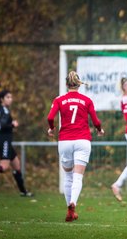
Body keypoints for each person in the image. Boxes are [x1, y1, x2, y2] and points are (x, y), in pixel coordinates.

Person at [47, 71, 104, 222]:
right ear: (79, 85)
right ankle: (73, 204)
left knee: (68, 176)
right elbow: (96, 121)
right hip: (83, 141)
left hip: (65, 141)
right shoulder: (86, 100)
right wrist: (99, 130)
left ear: (66, 85)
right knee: (78, 176)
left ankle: (69, 209)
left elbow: (50, 117)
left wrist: (51, 128)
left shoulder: (59, 100)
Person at [0, 90, 33, 197]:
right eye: (8, 97)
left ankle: (23, 192)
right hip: (4, 141)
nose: (10, 99)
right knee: (3, 167)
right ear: (2, 99)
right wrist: (12, 124)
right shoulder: (5, 111)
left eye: (11, 97)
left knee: (16, 164)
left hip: (2, 140)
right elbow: (2, 126)